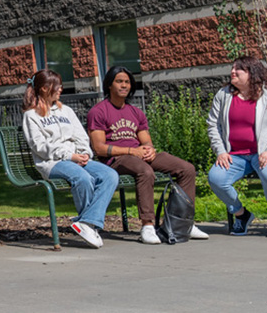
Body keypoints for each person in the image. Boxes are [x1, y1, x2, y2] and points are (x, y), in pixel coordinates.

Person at [87, 66, 207, 244]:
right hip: (115, 160)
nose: (124, 85)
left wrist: (150, 149)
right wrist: (131, 151)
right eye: (119, 81)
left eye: (127, 82)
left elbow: (146, 140)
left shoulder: (136, 112)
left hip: (138, 155)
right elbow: (99, 148)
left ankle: (182, 224)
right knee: (145, 171)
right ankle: (148, 226)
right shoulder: (98, 111)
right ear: (109, 85)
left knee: (187, 169)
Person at [22, 69, 118, 249]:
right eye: (57, 86)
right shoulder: (31, 116)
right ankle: (89, 224)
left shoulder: (65, 110)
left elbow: (81, 136)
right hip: (52, 163)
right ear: (44, 89)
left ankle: (87, 222)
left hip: (76, 158)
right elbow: (40, 147)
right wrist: (69, 156)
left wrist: (84, 154)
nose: (61, 89)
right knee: (83, 178)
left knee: (110, 175)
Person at [206, 56, 267, 238]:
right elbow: (212, 125)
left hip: (266, 153)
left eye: (239, 69)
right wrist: (221, 151)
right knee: (215, 178)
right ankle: (241, 214)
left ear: (252, 73)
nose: (233, 71)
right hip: (235, 155)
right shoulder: (223, 95)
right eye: (232, 68)